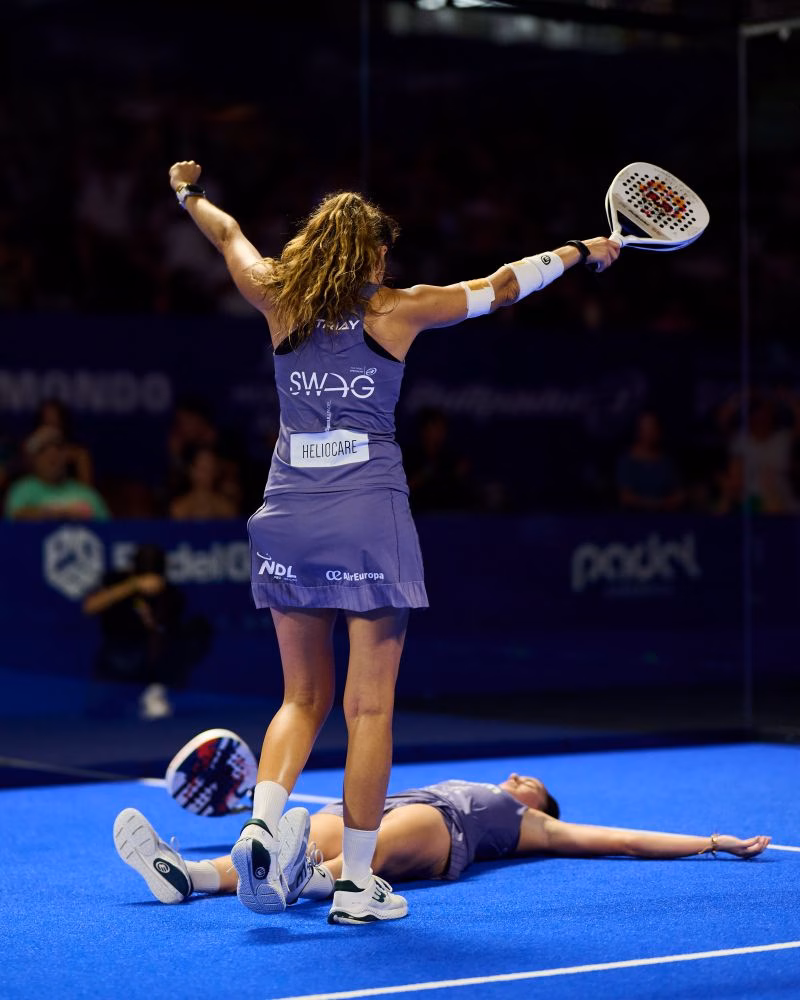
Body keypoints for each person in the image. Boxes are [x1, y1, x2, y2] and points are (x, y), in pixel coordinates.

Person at [165, 158, 620, 924]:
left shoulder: (274, 296)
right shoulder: (399, 310)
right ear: (372, 256)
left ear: (315, 246)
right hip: (367, 517)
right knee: (368, 709)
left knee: (300, 697)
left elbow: (229, 235)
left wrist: (187, 194)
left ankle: (262, 825)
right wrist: (581, 250)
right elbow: (504, 285)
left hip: (286, 514)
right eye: (383, 254)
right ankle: (357, 884)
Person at [113, 771, 771, 921]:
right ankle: (191, 876)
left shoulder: (528, 824)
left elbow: (622, 839)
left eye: (532, 784)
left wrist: (711, 841)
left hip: (439, 831)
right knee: (295, 835)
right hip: (380, 811)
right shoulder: (486, 783)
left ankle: (299, 882)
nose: (519, 779)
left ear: (540, 804)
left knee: (351, 851)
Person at [83, 543, 212, 719]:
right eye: (144, 574)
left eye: (154, 575)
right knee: (100, 711)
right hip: (118, 659)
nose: (149, 582)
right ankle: (128, 699)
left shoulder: (171, 595)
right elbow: (90, 607)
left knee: (195, 631)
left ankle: (155, 690)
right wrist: (132, 586)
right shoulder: (116, 581)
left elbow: (168, 632)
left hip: (156, 659)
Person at [4, 425, 110, 521]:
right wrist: (53, 513)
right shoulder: (21, 491)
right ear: (33, 460)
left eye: (59, 449)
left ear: (67, 455)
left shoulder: (86, 494)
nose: (52, 455)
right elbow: (13, 522)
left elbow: (108, 530)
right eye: (43, 450)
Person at [615, 410, 685, 512]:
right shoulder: (626, 462)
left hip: (665, 520)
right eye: (646, 428)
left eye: (653, 428)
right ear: (638, 431)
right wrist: (659, 504)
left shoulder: (666, 463)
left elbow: (679, 494)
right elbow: (626, 498)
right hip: (633, 520)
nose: (650, 432)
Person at [168, 444, 239, 520]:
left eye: (210, 468)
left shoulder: (227, 510)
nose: (207, 473)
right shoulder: (178, 509)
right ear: (191, 470)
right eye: (202, 468)